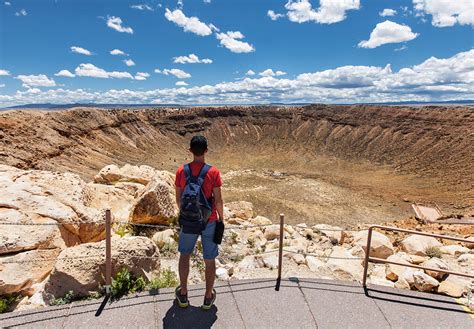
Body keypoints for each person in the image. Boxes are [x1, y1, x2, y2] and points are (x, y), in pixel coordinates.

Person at [174, 135, 223, 310]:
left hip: (188, 221)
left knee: (185, 255)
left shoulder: (181, 171)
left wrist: (186, 215)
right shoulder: (213, 172)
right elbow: (218, 201)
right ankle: (208, 296)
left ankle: (184, 293)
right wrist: (221, 220)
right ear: (206, 151)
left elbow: (179, 199)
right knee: (209, 259)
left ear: (190, 151)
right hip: (209, 221)